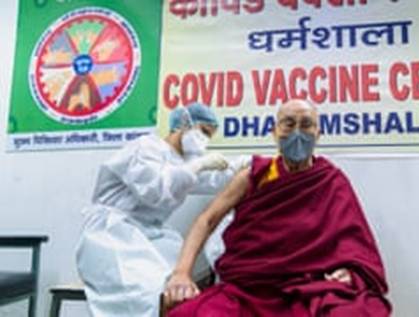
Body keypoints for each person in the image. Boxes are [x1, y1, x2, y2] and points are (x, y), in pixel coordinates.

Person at [164, 99, 391, 317]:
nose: (297, 133)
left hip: (310, 288)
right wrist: (182, 273)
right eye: (289, 124)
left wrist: (351, 272)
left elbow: (354, 242)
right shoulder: (255, 175)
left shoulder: (330, 180)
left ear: (318, 133)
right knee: (191, 313)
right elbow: (207, 219)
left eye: (306, 125)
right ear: (275, 132)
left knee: (361, 311)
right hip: (251, 290)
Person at [76, 102, 248, 317]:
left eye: (209, 136)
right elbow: (155, 189)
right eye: (203, 131)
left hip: (149, 233)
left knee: (184, 278)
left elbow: (209, 179)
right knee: (146, 292)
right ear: (184, 124)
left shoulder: (182, 161)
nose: (204, 140)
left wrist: (244, 165)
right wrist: (198, 165)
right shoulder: (145, 147)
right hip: (111, 235)